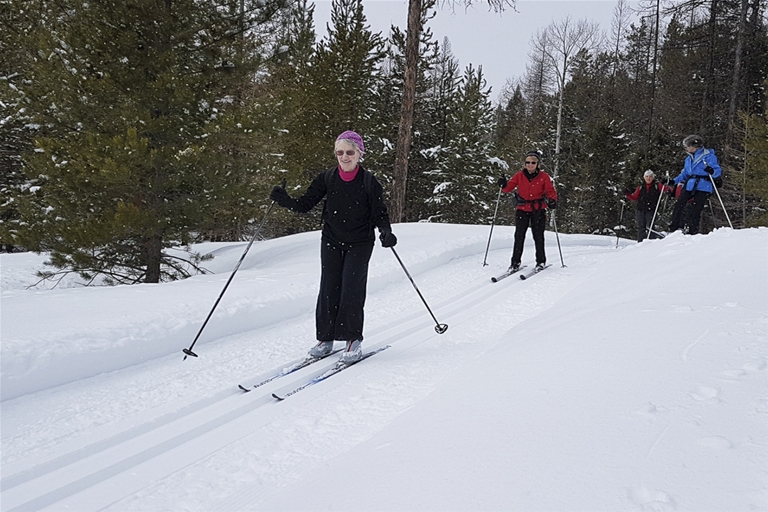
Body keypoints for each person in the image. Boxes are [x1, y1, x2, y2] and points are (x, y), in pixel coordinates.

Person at [269, 131, 396, 364]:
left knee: (352, 289)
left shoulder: (369, 181)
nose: (345, 157)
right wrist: (284, 199)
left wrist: (386, 232)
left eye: (350, 152)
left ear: (359, 153)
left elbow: (380, 213)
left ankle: (352, 339)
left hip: (360, 242)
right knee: (328, 287)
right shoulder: (327, 177)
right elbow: (305, 205)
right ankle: (325, 339)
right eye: (340, 152)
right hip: (331, 239)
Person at [496, 151, 558, 272]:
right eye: (528, 162)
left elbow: (550, 191)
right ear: (525, 163)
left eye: (533, 162)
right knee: (519, 236)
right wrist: (503, 184)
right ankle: (515, 263)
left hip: (538, 210)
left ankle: (540, 261)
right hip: (522, 209)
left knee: (538, 236)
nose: (530, 165)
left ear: (538, 164)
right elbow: (508, 188)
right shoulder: (519, 175)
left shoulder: (544, 177)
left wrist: (552, 200)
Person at [666, 135, 722, 235]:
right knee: (679, 204)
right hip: (689, 185)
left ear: (694, 146)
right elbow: (684, 173)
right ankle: (674, 228)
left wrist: (712, 171)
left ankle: (693, 231)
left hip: (704, 185)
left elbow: (717, 171)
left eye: (687, 146)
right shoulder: (688, 159)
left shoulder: (709, 156)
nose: (686, 148)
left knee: (696, 209)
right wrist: (673, 181)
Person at [624, 170, 671, 242]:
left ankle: (652, 241)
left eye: (650, 176)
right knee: (641, 227)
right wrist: (627, 194)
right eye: (647, 176)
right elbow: (634, 197)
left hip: (651, 209)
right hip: (640, 209)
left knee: (650, 226)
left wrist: (667, 189)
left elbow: (666, 189)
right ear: (644, 178)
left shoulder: (657, 185)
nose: (648, 178)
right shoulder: (640, 187)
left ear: (653, 177)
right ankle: (640, 242)